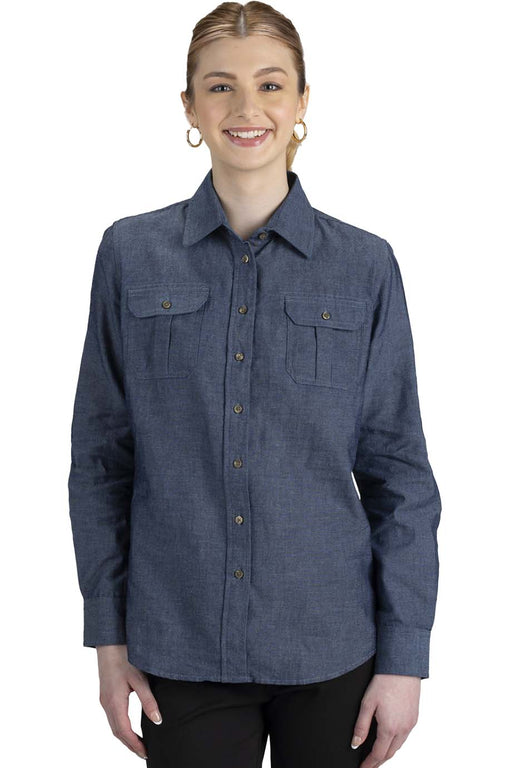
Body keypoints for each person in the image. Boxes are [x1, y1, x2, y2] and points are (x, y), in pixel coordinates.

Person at [67, 2, 442, 767]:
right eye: (220, 86)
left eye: (270, 85)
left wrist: (405, 658)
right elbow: (101, 461)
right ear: (189, 106)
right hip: (177, 646)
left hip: (332, 648)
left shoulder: (365, 266)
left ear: (302, 101)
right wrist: (107, 637)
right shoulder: (131, 254)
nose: (247, 108)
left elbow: (399, 473)